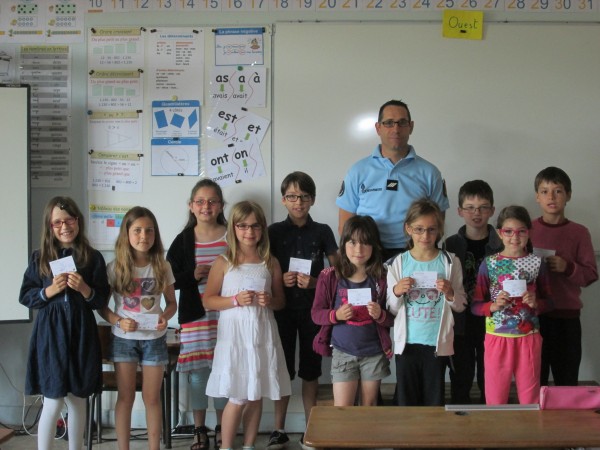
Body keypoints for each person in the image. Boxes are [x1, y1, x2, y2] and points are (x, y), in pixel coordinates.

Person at [19, 196, 110, 450]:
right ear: (50, 226)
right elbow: (25, 296)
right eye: (57, 222)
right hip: (51, 334)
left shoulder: (92, 258)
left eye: (69, 220)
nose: (65, 226)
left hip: (81, 333)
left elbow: (100, 299)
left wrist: (84, 289)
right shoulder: (39, 258)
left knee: (78, 399)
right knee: (54, 399)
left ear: (78, 221)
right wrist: (48, 291)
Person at [203, 201, 291, 450]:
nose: (249, 232)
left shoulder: (270, 262)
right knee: (238, 396)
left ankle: (249, 445)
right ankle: (226, 446)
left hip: (261, 333)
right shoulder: (224, 261)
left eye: (255, 226)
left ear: (262, 228)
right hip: (235, 337)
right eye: (242, 226)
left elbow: (280, 301)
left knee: (255, 393)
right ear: (233, 228)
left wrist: (269, 300)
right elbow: (208, 300)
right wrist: (234, 300)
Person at [267, 172, 338, 450]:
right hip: (281, 309)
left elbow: (339, 272)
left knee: (311, 370)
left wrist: (316, 280)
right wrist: (279, 279)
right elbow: (261, 268)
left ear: (313, 200)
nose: (298, 202)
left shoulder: (323, 231)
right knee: (281, 369)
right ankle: (278, 429)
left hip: (313, 311)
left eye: (304, 197)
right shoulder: (273, 231)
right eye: (293, 197)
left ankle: (311, 429)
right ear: (283, 200)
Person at [99, 206, 177, 450]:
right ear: (127, 233)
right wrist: (118, 321)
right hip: (124, 339)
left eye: (149, 230)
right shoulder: (114, 267)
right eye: (138, 230)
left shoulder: (162, 266)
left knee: (152, 398)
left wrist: (165, 317)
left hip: (154, 339)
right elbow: (102, 307)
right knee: (126, 397)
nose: (144, 236)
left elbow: (172, 304)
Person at [336, 99, 449, 260]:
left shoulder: (430, 173)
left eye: (402, 123)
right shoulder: (358, 171)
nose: (396, 129)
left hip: (414, 255)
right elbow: (345, 226)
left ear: (411, 127)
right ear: (378, 128)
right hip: (368, 255)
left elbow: (438, 223)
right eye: (389, 123)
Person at [167, 179, 229, 450]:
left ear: (221, 206)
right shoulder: (183, 240)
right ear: (191, 206)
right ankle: (199, 428)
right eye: (200, 201)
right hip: (195, 316)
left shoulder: (232, 235)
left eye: (212, 201)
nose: (206, 206)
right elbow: (168, 279)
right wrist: (191, 276)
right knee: (198, 374)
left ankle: (223, 427)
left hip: (226, 315)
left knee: (224, 370)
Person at [387, 199, 466, 406]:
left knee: (434, 401)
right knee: (407, 401)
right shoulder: (399, 263)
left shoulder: (450, 261)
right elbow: (391, 309)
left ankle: (433, 429)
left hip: (436, 344)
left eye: (431, 229)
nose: (425, 236)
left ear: (439, 229)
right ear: (408, 229)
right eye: (419, 229)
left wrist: (450, 293)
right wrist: (397, 292)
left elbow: (461, 304)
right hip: (407, 344)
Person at [471, 205, 552, 405]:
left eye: (521, 231)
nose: (515, 237)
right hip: (497, 338)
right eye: (508, 231)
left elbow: (550, 302)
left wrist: (536, 303)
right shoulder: (489, 264)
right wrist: (493, 306)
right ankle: (497, 427)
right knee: (495, 398)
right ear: (500, 233)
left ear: (528, 233)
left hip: (528, 338)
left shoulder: (537, 263)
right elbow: (476, 305)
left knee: (530, 398)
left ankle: (530, 427)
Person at [312, 215, 394, 407]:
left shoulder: (383, 277)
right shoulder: (330, 276)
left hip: (374, 353)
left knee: (369, 406)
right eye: (353, 242)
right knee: (342, 409)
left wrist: (380, 315)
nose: (359, 249)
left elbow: (393, 318)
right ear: (343, 244)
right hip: (343, 352)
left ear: (374, 246)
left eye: (365, 243)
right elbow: (316, 314)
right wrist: (336, 315)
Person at [530, 167, 598, 386]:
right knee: (534, 381)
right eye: (545, 191)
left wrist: (567, 267)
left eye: (558, 191)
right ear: (537, 197)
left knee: (567, 381)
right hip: (534, 317)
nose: (551, 197)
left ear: (568, 195)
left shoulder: (579, 232)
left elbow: (590, 275)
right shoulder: (527, 230)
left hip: (567, 319)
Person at [445, 180, 502, 404]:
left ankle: (491, 416)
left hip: (493, 320)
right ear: (460, 211)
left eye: (483, 207)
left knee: (491, 376)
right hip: (461, 321)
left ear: (492, 210)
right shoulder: (450, 244)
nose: (476, 213)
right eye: (469, 207)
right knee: (461, 375)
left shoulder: (502, 243)